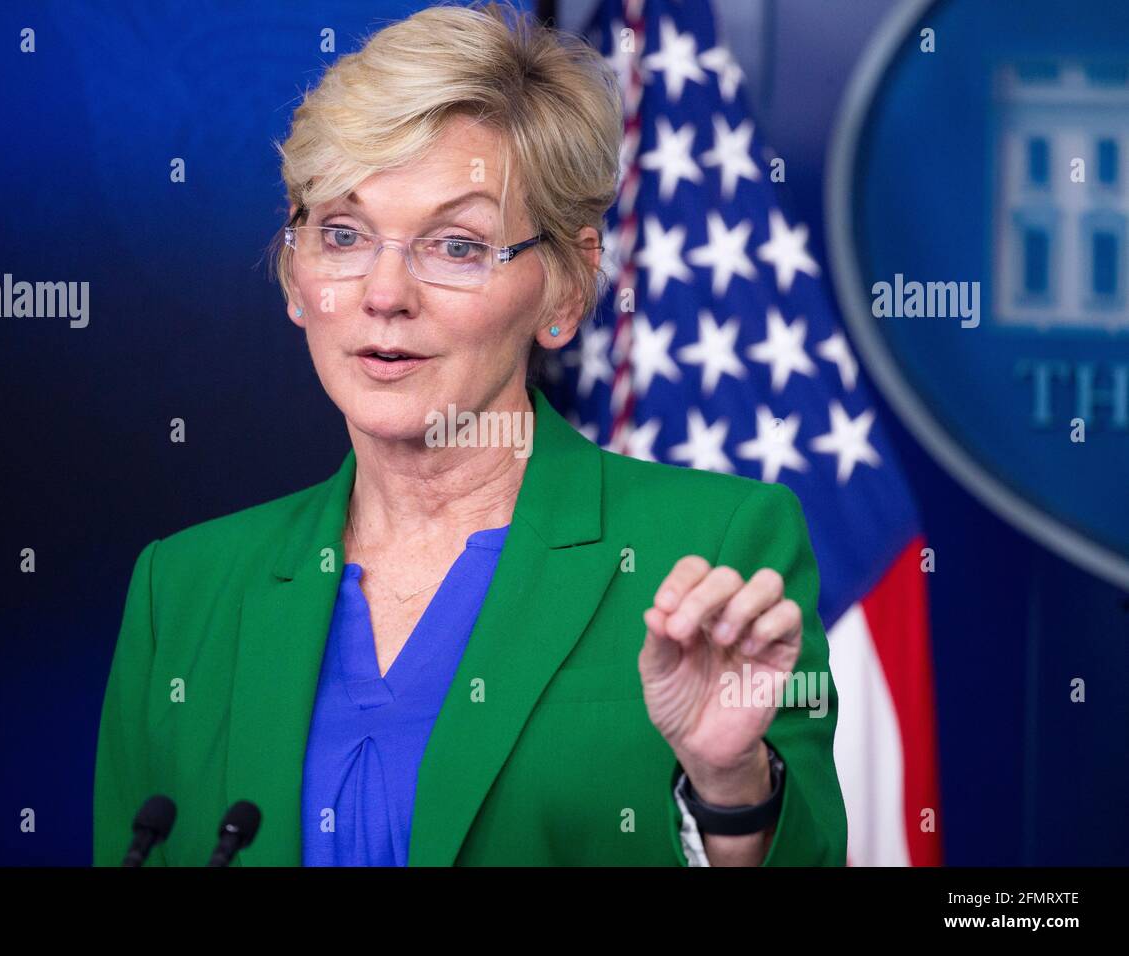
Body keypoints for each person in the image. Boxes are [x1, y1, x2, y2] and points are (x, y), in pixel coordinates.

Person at [93, 0, 846, 867]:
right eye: (343, 233)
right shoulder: (181, 591)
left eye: (455, 245)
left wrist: (729, 789)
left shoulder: (711, 547)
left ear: (566, 289)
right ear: (296, 277)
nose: (385, 293)